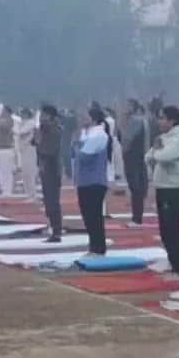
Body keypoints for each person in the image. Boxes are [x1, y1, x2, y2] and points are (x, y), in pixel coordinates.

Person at [147, 105, 179, 281]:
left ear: (172, 120)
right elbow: (148, 156)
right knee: (165, 230)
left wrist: (156, 151)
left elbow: (164, 157)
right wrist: (156, 151)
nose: (159, 121)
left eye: (162, 118)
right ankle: (172, 262)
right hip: (162, 188)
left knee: (173, 230)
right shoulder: (163, 137)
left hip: (175, 190)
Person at [74, 105, 111, 257]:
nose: (81, 119)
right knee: (88, 217)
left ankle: (98, 248)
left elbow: (84, 157)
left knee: (94, 217)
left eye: (85, 116)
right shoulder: (88, 134)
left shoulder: (98, 135)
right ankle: (94, 247)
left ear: (93, 119)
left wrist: (77, 147)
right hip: (85, 181)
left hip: (94, 182)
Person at [35, 105, 64, 242]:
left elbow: (49, 150)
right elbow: (35, 142)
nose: (41, 118)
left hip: (52, 169)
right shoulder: (44, 129)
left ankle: (57, 231)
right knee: (48, 201)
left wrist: (39, 144)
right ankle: (53, 227)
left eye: (43, 115)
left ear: (49, 116)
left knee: (52, 201)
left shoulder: (54, 130)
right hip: (46, 168)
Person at [121, 99, 150, 227]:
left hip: (132, 158)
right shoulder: (142, 120)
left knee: (135, 188)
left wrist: (124, 152)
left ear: (132, 107)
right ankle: (137, 217)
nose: (124, 108)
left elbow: (126, 140)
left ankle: (136, 218)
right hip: (140, 158)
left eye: (126, 106)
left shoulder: (134, 121)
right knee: (138, 188)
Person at [0, 105, 17, 197]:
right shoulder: (1, 120)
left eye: (3, 111)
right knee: (1, 171)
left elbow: (2, 125)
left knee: (7, 171)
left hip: (7, 149)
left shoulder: (10, 120)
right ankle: (4, 189)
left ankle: (8, 190)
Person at [15, 107, 38, 198]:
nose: (21, 115)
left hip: (30, 149)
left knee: (30, 173)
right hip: (23, 150)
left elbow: (20, 132)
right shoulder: (22, 123)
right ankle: (28, 194)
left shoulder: (31, 123)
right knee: (25, 174)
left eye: (23, 113)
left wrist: (18, 126)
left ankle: (32, 194)